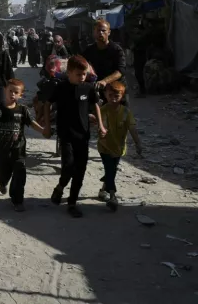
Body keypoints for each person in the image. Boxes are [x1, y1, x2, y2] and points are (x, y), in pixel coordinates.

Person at [44, 55, 106, 218]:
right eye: (78, 74)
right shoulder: (61, 87)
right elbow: (47, 103)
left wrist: (100, 125)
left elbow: (95, 106)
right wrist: (47, 126)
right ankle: (60, 187)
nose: (82, 77)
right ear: (69, 73)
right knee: (68, 166)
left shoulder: (88, 88)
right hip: (66, 135)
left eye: (84, 74)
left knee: (81, 170)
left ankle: (72, 202)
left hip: (83, 135)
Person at [0, 79, 48, 212]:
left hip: (18, 149)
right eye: (10, 91)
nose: (12, 94)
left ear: (20, 95)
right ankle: (1, 181)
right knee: (3, 173)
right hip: (2, 150)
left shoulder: (22, 110)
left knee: (20, 173)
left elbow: (31, 122)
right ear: (5, 91)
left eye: (16, 92)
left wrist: (42, 130)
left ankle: (17, 200)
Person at [96, 81, 142, 210]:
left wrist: (138, 143)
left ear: (122, 96)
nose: (113, 98)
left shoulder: (126, 112)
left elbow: (132, 129)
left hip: (119, 148)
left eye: (117, 96)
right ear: (105, 95)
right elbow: (99, 127)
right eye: (110, 95)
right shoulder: (102, 110)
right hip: (104, 146)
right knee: (110, 169)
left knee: (111, 170)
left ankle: (102, 190)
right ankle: (112, 196)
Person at [82, 19, 127, 105]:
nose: (101, 33)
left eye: (103, 30)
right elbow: (80, 63)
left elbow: (121, 71)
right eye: (98, 30)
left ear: (109, 32)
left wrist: (105, 81)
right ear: (94, 32)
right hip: (99, 90)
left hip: (116, 91)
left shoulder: (116, 50)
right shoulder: (89, 50)